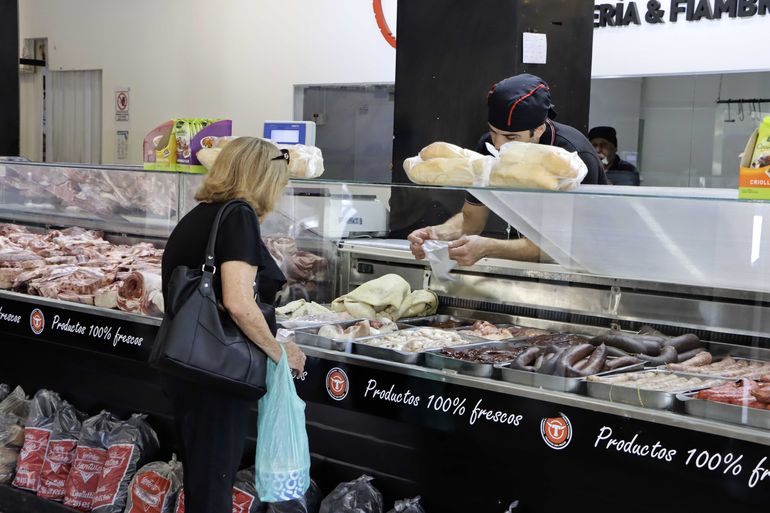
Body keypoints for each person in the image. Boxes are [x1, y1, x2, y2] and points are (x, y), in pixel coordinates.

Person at [160, 137, 307, 513]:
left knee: (203, 480)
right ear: (263, 178)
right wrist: (279, 352)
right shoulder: (238, 215)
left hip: (189, 365)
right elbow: (239, 303)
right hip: (218, 372)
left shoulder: (201, 215)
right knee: (211, 488)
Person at [408, 73, 608, 266]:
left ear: (539, 129)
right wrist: (436, 234)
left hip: (587, 268)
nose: (498, 145)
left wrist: (488, 247)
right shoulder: (488, 148)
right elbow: (471, 220)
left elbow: (560, 246)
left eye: (511, 138)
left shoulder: (572, 157)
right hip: (532, 264)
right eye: (493, 132)